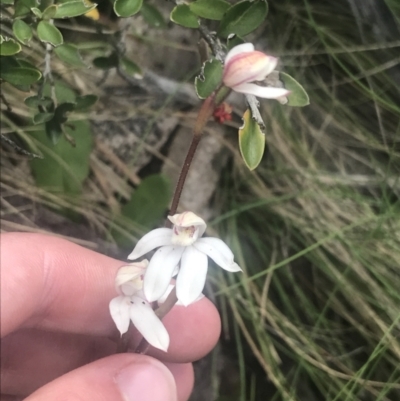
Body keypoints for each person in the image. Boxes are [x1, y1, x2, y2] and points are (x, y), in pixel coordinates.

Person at [1, 233, 221, 401]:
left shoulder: (153, 291)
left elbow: (158, 322)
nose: (186, 232)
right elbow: (127, 322)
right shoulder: (120, 304)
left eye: (191, 230)